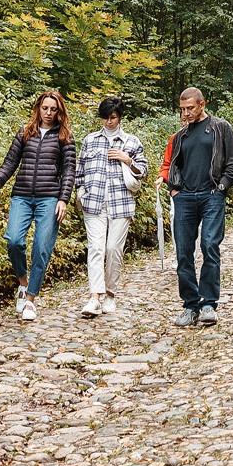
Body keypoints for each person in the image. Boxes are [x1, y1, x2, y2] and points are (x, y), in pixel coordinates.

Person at [0, 89, 79, 322]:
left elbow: (69, 171)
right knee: (14, 241)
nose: (48, 113)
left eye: (53, 109)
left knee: (41, 248)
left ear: (60, 112)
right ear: (38, 108)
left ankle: (30, 301)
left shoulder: (65, 137)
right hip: (22, 196)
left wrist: (63, 199)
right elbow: (10, 162)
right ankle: (23, 282)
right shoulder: (25, 132)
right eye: (44, 108)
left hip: (50, 199)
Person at [163, 85, 233, 327]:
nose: (186, 113)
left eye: (190, 108)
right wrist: (174, 191)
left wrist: (221, 188)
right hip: (185, 197)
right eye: (182, 109)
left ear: (202, 105)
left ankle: (209, 304)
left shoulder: (221, 128)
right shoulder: (180, 135)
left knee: (209, 245)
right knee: (184, 252)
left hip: (211, 195)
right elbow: (173, 164)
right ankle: (190, 304)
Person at [75, 95, 146, 317]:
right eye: (105, 117)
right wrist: (81, 192)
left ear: (120, 117)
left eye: (113, 117)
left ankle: (110, 294)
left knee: (113, 249)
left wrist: (127, 159)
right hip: (94, 203)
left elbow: (142, 171)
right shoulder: (90, 140)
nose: (108, 122)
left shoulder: (131, 142)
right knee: (95, 248)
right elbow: (80, 169)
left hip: (121, 204)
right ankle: (94, 297)